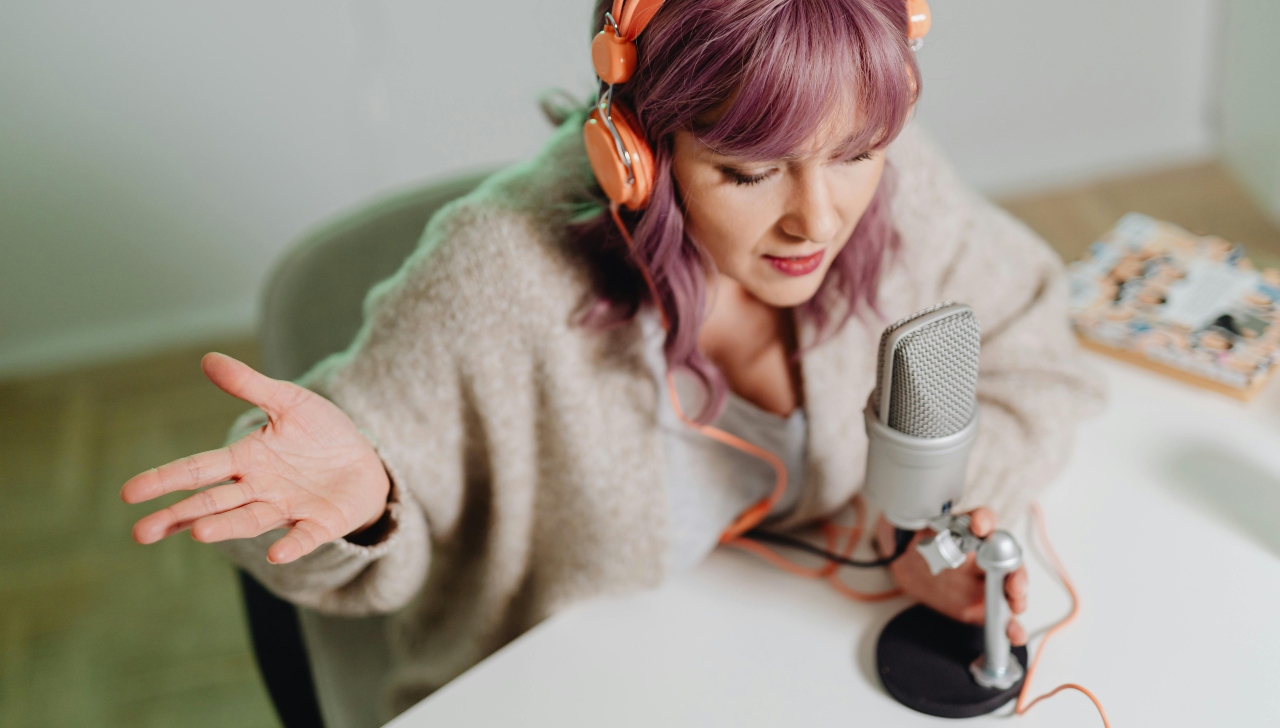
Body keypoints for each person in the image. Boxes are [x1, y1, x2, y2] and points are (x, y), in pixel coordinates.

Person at [120, 0, 1102, 725]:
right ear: (634, 151)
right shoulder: (496, 271)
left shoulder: (883, 176)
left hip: (791, 661)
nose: (818, 216)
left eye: (854, 153)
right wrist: (371, 495)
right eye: (748, 173)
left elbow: (1037, 355)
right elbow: (353, 540)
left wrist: (921, 528)